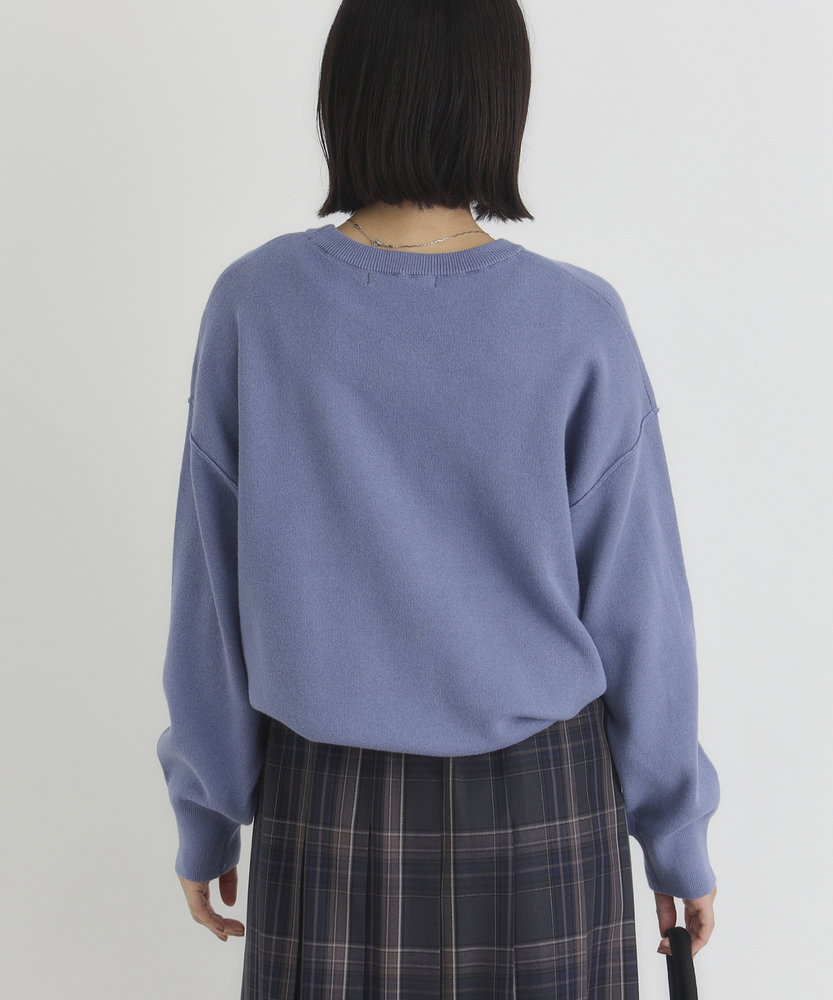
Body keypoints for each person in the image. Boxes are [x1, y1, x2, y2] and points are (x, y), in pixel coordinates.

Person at [156, 1, 719, 996]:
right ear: (499, 102)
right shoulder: (576, 319)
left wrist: (207, 809)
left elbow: (210, 599)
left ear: (345, 91)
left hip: (324, 802)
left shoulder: (255, 304)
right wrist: (673, 838)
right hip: (547, 804)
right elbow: (641, 609)